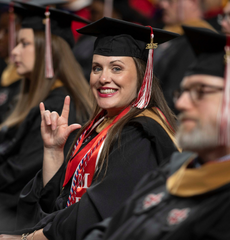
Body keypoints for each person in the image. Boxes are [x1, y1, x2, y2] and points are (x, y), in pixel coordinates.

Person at [0, 17, 180, 240]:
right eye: (97, 68)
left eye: (116, 68)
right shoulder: (98, 126)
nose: (104, 78)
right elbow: (60, 202)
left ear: (143, 76)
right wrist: (54, 151)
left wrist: (27, 238)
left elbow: (96, 213)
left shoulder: (140, 134)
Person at [82, 26, 230, 240]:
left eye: (201, 91)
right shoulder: (173, 169)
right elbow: (111, 227)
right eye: (184, 91)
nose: (181, 103)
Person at [0, 2, 92, 232]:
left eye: (24, 44)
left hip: (21, 217)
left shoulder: (57, 107)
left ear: (47, 49)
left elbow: (18, 175)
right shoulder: (33, 99)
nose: (14, 52)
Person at [154, 0, 215, 114]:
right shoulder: (168, 34)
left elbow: (173, 92)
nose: (163, 5)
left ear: (192, 3)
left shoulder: (199, 40)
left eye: (170, 1)